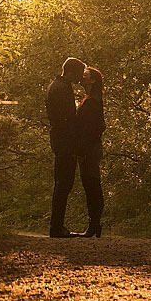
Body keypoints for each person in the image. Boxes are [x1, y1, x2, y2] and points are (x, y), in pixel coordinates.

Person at [45, 58, 97, 238]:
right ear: (71, 72)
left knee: (62, 183)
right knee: (63, 183)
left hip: (60, 141)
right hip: (64, 142)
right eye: (79, 74)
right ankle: (56, 227)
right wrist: (75, 143)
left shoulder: (56, 86)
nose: (79, 79)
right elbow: (67, 119)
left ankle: (57, 226)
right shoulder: (62, 88)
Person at [75, 67, 105, 237]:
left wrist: (83, 147)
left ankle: (94, 224)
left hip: (90, 148)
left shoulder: (93, 101)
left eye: (85, 76)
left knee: (92, 184)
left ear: (92, 80)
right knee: (91, 184)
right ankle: (94, 224)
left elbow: (94, 127)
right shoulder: (91, 99)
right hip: (89, 147)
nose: (81, 77)